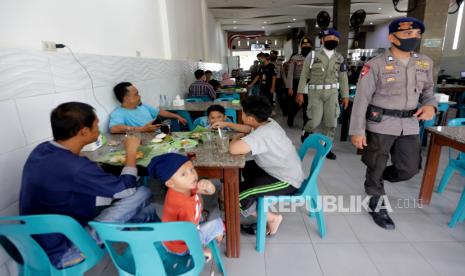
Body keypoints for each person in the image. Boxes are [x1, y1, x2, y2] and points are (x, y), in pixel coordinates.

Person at [20, 102, 159, 269]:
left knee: (147, 212)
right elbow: (127, 190)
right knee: (141, 192)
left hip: (32, 244)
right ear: (84, 131)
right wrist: (131, 152)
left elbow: (72, 170)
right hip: (64, 251)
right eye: (96, 125)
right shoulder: (75, 167)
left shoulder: (41, 150)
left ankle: (156, 244)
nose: (99, 129)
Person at [349, 17, 437, 230]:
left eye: (416, 34)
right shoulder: (375, 65)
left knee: (409, 169)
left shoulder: (424, 63)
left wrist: (431, 106)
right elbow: (362, 100)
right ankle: (376, 201)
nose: (413, 38)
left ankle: (376, 179)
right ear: (392, 37)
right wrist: (357, 131)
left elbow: (428, 91)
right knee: (376, 163)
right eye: (407, 34)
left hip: (409, 125)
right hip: (381, 124)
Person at [212, 96, 304, 236]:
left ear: (250, 118)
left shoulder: (263, 134)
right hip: (275, 169)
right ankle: (251, 195)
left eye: (242, 112)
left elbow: (233, 149)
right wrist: (227, 124)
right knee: (242, 168)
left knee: (235, 196)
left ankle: (272, 218)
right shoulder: (268, 122)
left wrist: (236, 138)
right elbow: (248, 129)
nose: (241, 114)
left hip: (286, 180)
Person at [147, 153, 224, 261]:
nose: (192, 175)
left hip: (172, 238)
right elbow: (189, 234)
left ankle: (208, 231)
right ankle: (206, 248)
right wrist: (199, 250)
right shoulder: (184, 205)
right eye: (184, 174)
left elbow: (209, 192)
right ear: (170, 183)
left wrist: (209, 186)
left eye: (192, 169)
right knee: (217, 223)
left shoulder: (181, 187)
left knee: (209, 221)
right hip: (181, 246)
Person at [296, 29, 350, 160]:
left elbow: (343, 78)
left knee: (331, 122)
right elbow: (304, 75)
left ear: (337, 40)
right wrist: (300, 92)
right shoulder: (313, 55)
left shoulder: (340, 57)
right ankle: (307, 131)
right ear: (322, 40)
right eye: (328, 37)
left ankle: (325, 148)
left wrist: (345, 95)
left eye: (334, 37)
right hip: (315, 93)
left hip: (332, 93)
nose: (331, 39)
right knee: (314, 121)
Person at [109, 82, 187, 134]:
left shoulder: (142, 106)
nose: (140, 96)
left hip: (161, 135)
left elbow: (159, 112)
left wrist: (177, 116)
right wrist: (142, 129)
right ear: (126, 98)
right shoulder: (118, 113)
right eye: (136, 94)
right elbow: (114, 128)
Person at [286, 36, 313, 127]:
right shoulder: (295, 58)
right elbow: (290, 73)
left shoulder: (315, 57)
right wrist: (290, 87)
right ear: (301, 46)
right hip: (297, 83)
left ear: (311, 45)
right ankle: (290, 117)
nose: (306, 46)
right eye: (304, 44)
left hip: (310, 84)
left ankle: (306, 124)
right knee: (296, 104)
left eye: (308, 44)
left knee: (308, 105)